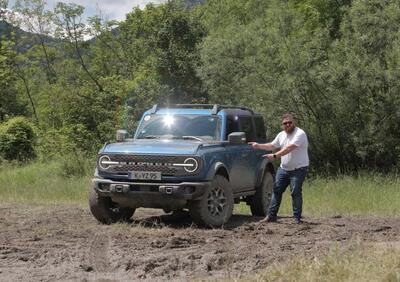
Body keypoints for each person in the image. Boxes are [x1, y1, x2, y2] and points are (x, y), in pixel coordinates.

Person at [249, 113, 309, 224]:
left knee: (295, 192)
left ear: (293, 122)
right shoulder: (281, 134)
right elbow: (272, 145)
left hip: (298, 169)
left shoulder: (300, 134)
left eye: (289, 122)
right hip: (284, 169)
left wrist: (275, 156)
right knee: (276, 190)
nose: (287, 125)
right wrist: (258, 145)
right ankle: (271, 216)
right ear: (282, 124)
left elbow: (289, 148)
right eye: (285, 123)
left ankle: (297, 218)